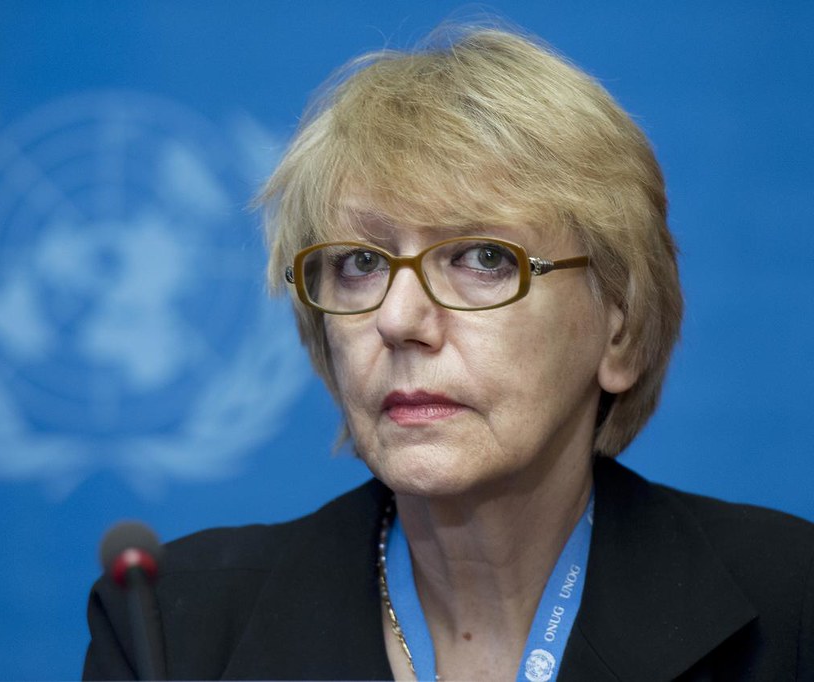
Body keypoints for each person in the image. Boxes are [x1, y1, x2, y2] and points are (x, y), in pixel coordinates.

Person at [83, 26, 814, 681]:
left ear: (617, 331)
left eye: (483, 257)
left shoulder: (792, 611)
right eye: (360, 264)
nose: (398, 319)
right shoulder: (172, 632)